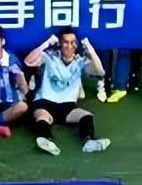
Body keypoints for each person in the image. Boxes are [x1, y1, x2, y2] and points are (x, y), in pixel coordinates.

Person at [23, 28, 110, 156]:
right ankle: (48, 141)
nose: (70, 46)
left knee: (86, 116)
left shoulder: (80, 61)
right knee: (42, 117)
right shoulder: (49, 57)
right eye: (66, 42)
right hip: (44, 102)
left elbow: (99, 71)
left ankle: (89, 142)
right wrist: (46, 43)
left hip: (67, 106)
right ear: (60, 43)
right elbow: (28, 61)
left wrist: (90, 50)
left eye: (72, 42)